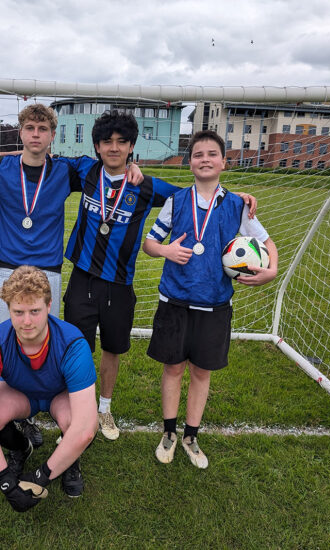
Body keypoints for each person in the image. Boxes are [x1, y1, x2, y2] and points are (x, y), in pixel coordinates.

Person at [0, 104, 141, 447]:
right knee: (2, 347)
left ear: (52, 135)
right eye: (29, 128)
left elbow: (111, 165)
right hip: (7, 272)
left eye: (42, 129)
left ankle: (28, 416)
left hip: (48, 273)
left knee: (38, 349)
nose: (35, 134)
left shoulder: (66, 170)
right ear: (20, 132)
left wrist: (132, 165)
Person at [59, 111, 257, 441]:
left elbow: (195, 194)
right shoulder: (85, 170)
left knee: (112, 350)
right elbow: (38, 155)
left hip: (120, 283)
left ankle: (104, 408)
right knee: (77, 349)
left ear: (131, 147)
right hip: (82, 278)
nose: (113, 148)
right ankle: (78, 411)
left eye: (122, 142)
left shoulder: (146, 185)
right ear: (97, 146)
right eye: (107, 142)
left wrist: (239, 199)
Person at [143, 129, 278, 469]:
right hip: (175, 300)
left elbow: (267, 243)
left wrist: (272, 270)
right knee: (173, 368)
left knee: (202, 372)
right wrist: (165, 250)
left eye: (212, 154)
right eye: (198, 154)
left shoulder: (237, 205)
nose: (205, 159)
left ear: (224, 162)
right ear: (190, 163)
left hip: (215, 303)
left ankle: (191, 436)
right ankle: (169, 432)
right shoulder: (176, 201)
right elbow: (149, 244)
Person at [0, 266, 98, 512]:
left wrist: (40, 477)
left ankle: (69, 460)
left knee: (82, 423)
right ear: (8, 309)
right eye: (18, 312)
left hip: (59, 396)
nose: (27, 321)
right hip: (20, 394)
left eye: (35, 311)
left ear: (49, 306)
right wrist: (6, 483)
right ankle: (21, 448)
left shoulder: (73, 343)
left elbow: (85, 429)